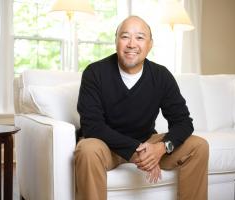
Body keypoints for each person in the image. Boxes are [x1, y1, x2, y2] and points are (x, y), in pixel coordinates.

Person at [75, 15, 209, 200]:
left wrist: (162, 148)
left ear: (150, 44)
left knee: (199, 146)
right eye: (125, 36)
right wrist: (138, 151)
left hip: (147, 141)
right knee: (87, 149)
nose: (131, 44)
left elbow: (183, 122)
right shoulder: (95, 73)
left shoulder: (161, 76)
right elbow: (92, 126)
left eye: (139, 37)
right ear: (116, 41)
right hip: (106, 146)